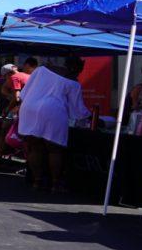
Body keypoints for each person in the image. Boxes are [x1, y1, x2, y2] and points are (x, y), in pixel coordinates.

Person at [17, 58, 90, 192]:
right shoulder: (73, 82)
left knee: (35, 147)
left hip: (29, 107)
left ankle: (37, 181)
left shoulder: (41, 70)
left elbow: (24, 93)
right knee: (54, 149)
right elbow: (77, 110)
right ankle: (55, 183)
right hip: (53, 111)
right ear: (76, 69)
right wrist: (88, 116)